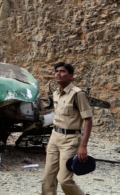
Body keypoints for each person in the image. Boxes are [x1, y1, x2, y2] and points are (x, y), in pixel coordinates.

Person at [42, 62, 93, 195]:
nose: (58, 73)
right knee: (48, 177)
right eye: (56, 71)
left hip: (70, 140)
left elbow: (88, 120)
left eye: (62, 71)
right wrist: (50, 141)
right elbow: (57, 119)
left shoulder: (78, 94)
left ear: (71, 76)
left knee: (64, 179)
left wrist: (83, 146)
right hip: (55, 137)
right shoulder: (56, 94)